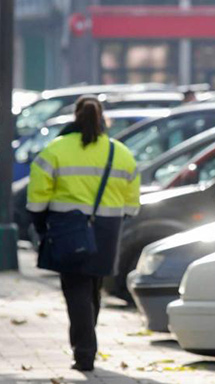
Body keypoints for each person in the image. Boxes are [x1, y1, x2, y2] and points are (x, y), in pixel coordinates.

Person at [26, 95, 140, 371]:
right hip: (107, 231)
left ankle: (85, 352)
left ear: (75, 117)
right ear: (102, 119)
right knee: (93, 288)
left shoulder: (56, 149)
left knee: (75, 288)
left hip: (68, 229)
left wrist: (41, 224)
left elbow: (37, 198)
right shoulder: (120, 152)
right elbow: (132, 205)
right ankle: (86, 344)